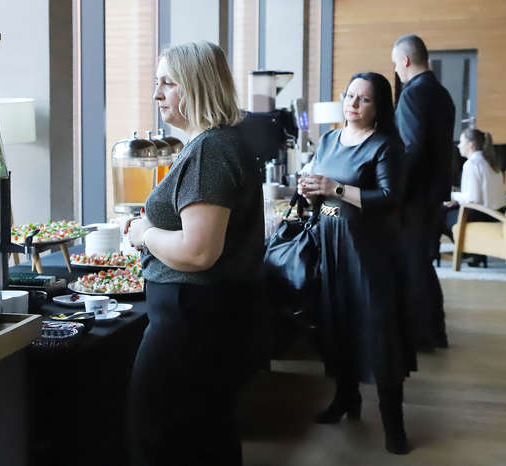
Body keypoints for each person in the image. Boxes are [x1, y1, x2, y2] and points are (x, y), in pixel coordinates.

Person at [124, 41, 265, 466]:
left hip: (190, 317)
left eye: (168, 83)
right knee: (204, 436)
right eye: (157, 83)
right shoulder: (213, 143)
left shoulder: (210, 149)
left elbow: (199, 251)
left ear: (197, 85)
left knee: (160, 438)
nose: (157, 94)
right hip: (204, 315)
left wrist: (145, 234)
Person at [298, 72, 415, 455]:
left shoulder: (385, 146)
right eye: (350, 96)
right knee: (337, 326)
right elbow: (323, 198)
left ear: (378, 107)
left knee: (378, 333)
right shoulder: (329, 140)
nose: (353, 104)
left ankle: (394, 424)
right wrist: (311, 192)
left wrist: (334, 188)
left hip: (368, 251)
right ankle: (345, 399)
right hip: (331, 244)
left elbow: (389, 197)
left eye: (364, 99)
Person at [392, 34, 455, 350]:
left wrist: (396, 192)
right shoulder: (442, 93)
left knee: (414, 264)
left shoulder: (413, 94)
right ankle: (435, 332)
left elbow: (412, 149)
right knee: (422, 263)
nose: (396, 70)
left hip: (415, 197)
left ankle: (423, 336)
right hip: (435, 193)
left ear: (405, 60)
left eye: (396, 63)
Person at [442, 128, 506, 242]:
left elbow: (473, 199)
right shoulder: (492, 163)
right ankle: (467, 248)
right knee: (447, 209)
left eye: (461, 142)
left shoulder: (471, 164)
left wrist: (452, 195)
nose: (459, 146)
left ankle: (463, 247)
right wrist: (457, 201)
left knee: (438, 215)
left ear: (470, 145)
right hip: (497, 214)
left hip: (482, 216)